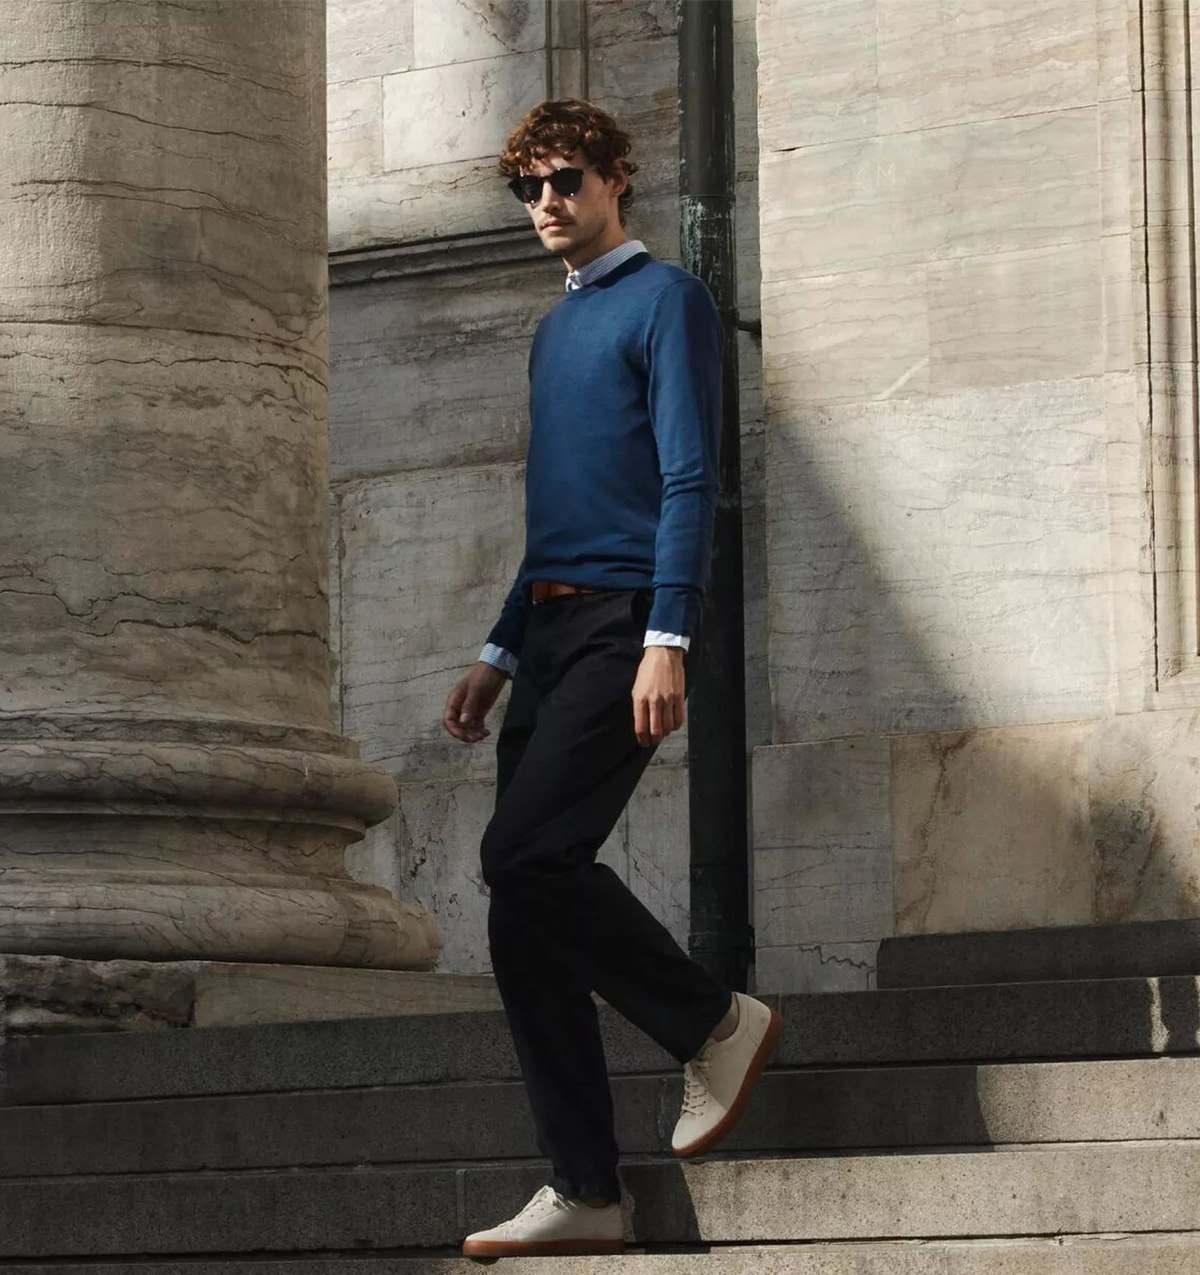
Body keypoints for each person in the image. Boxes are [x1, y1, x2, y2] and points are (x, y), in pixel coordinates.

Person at [441, 98, 782, 1261]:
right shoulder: (555, 332)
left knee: (524, 856)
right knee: (522, 917)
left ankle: (714, 1022)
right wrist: (498, 652)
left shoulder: (667, 301)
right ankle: (585, 1189)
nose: (546, 203)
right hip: (547, 631)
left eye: (566, 181)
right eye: (528, 188)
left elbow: (688, 479)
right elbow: (557, 509)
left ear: (617, 179)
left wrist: (669, 635)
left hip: (627, 623)